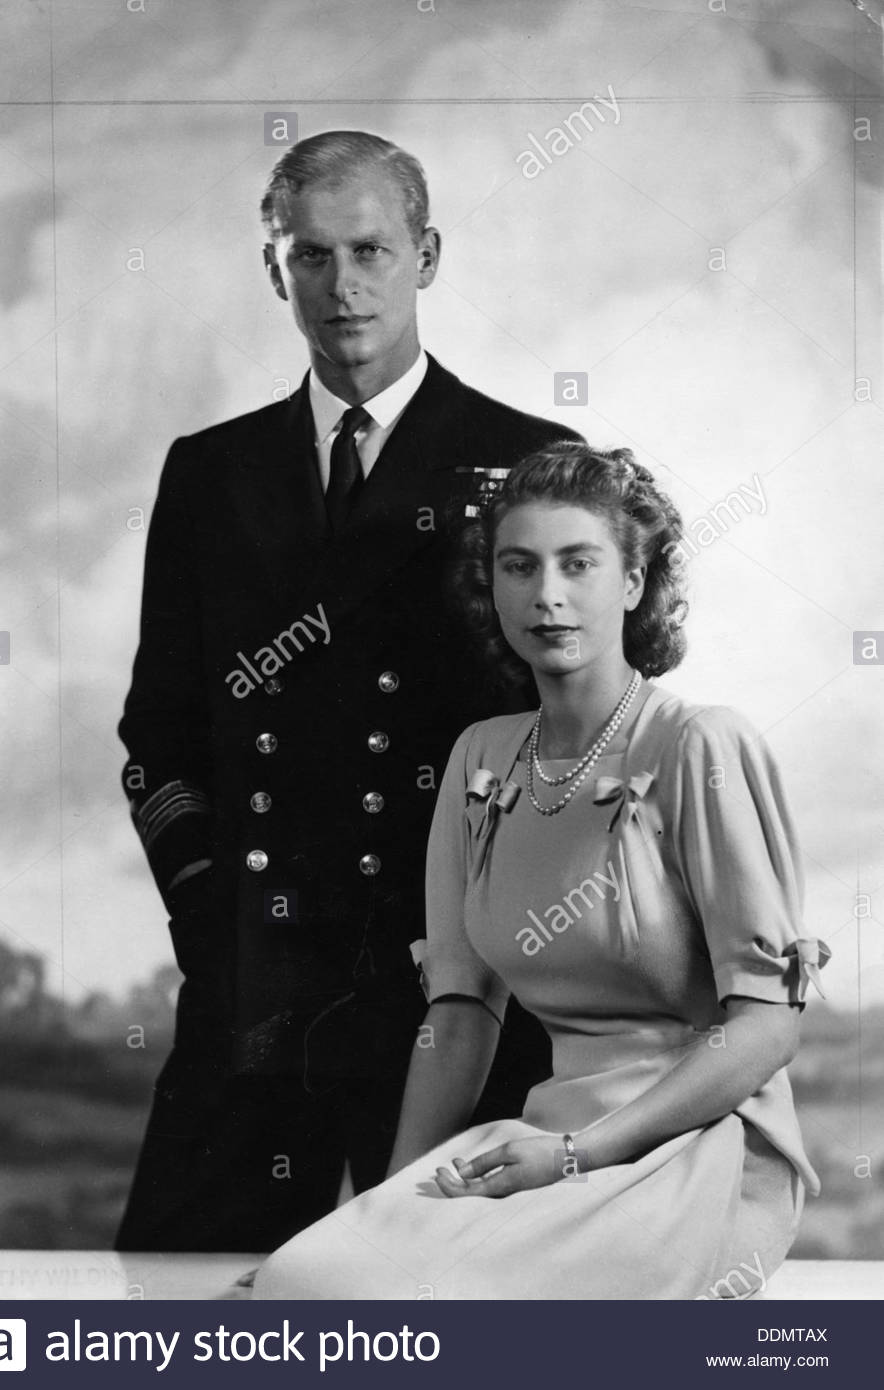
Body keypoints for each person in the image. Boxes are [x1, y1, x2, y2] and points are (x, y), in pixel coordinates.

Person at [114, 130, 583, 1253]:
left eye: (370, 248)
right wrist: (206, 910)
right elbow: (158, 730)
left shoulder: (530, 463)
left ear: (426, 254)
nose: (344, 285)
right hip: (257, 982)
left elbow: (584, 735)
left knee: (464, 1330)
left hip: (458, 991)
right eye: (310, 255)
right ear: (273, 271)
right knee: (170, 1313)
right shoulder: (210, 471)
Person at [251, 440, 829, 1300]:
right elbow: (458, 1017)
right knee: (312, 1281)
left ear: (632, 584)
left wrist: (576, 1155)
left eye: (579, 564)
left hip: (699, 1147)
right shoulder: (481, 760)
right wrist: (390, 1207)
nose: (547, 594)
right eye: (518, 566)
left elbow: (766, 1028)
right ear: (493, 585)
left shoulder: (697, 744)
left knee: (437, 1312)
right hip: (546, 1138)